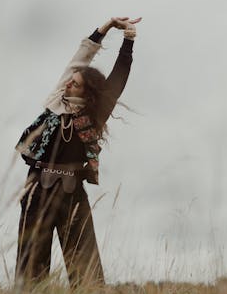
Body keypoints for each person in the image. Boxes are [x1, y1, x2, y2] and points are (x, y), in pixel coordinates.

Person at [14, 16, 141, 289]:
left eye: (75, 83)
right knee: (31, 267)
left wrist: (128, 42)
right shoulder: (54, 103)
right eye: (69, 81)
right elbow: (78, 60)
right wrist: (104, 29)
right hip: (37, 189)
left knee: (86, 268)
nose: (68, 84)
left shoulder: (93, 116)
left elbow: (117, 80)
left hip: (72, 193)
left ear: (88, 92)